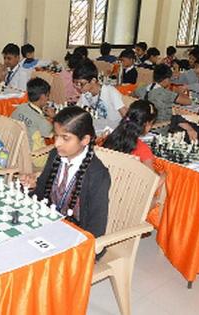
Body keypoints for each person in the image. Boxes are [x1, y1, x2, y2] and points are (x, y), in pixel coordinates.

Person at [20, 106, 110, 239]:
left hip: (76, 236)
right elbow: (40, 195)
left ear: (85, 140)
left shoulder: (97, 175)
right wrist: (31, 187)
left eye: (65, 138)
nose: (57, 143)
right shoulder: (54, 156)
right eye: (56, 136)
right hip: (48, 224)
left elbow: (96, 227)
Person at [103, 100, 159, 171]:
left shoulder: (111, 138)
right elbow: (152, 180)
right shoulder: (142, 149)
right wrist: (164, 175)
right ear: (147, 124)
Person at [11, 78, 54, 167]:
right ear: (42, 97)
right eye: (47, 96)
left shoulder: (19, 108)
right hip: (34, 159)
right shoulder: (40, 121)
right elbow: (52, 134)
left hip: (16, 153)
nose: (48, 99)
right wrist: (53, 117)